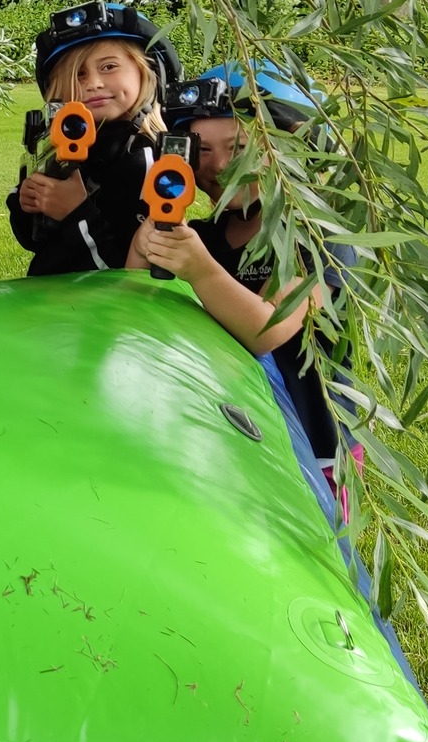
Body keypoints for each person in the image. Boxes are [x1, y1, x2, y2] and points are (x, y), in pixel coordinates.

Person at [130, 64, 357, 481]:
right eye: (202, 152)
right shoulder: (202, 236)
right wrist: (149, 236)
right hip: (235, 433)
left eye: (239, 149)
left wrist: (201, 271)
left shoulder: (318, 237)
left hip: (316, 447)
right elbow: (134, 300)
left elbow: (265, 331)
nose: (220, 166)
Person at [7, 1, 180, 275]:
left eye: (109, 66)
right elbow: (35, 241)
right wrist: (27, 205)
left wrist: (75, 211)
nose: (93, 83)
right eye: (79, 74)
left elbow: (126, 275)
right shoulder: (61, 148)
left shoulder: (150, 163)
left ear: (148, 72)